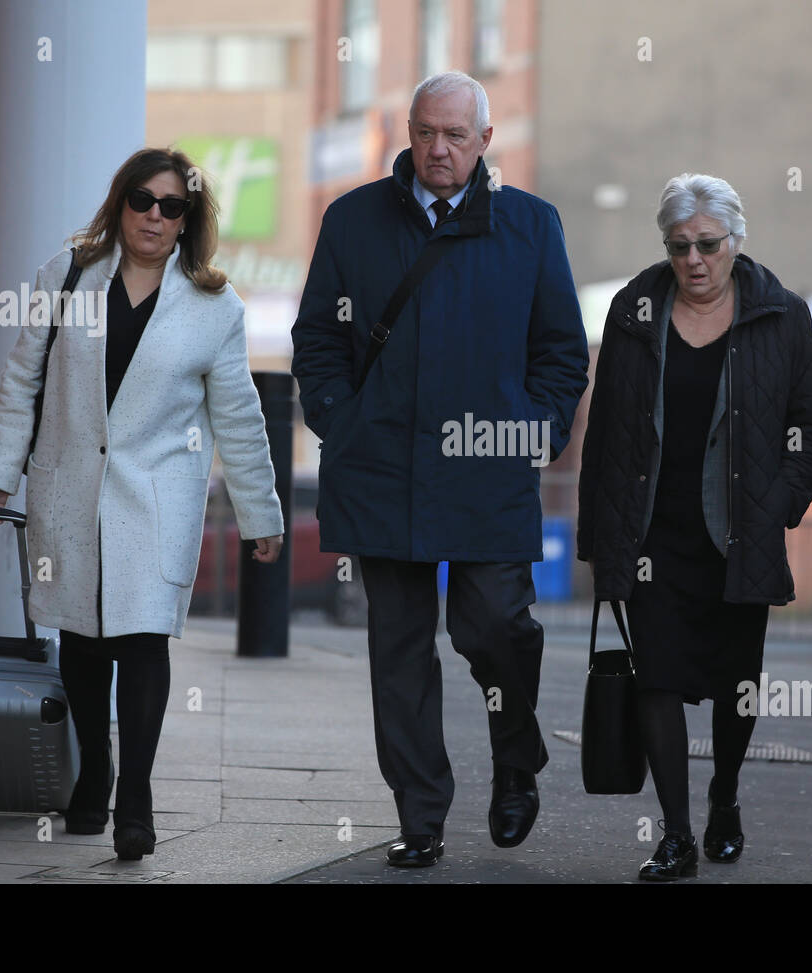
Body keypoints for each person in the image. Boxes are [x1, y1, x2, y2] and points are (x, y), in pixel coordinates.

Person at [291, 71, 588, 868]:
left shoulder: (530, 225)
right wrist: (341, 419)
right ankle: (420, 814)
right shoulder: (352, 220)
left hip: (489, 472)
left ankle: (515, 758)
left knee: (493, 625)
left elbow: (562, 352)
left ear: (486, 142)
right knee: (398, 653)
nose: (438, 149)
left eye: (457, 136)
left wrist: (535, 430)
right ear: (409, 131)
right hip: (381, 470)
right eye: (426, 132)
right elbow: (317, 336)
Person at [0, 148, 285, 861]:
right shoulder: (69, 275)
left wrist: (259, 512)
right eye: (142, 200)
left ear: (187, 219)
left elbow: (238, 415)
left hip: (158, 498)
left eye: (171, 206)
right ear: (121, 202)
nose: (153, 215)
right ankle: (96, 769)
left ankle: (135, 795)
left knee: (143, 639)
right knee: (82, 638)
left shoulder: (214, 304)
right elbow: (22, 379)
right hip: (71, 485)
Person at [577, 174, 812, 881]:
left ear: (735, 241)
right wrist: (599, 539)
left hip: (737, 536)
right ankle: (677, 834)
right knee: (656, 678)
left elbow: (811, 427)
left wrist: (776, 505)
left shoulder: (781, 314)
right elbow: (605, 431)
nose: (693, 260)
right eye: (679, 245)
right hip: (653, 533)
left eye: (708, 245)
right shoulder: (633, 310)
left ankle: (724, 798)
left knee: (735, 682)